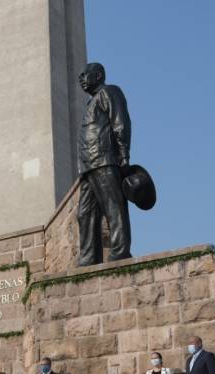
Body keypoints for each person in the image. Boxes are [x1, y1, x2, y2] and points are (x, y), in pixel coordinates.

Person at [76, 62, 132, 266]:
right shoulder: (90, 103)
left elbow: (121, 123)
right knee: (84, 214)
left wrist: (123, 155)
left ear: (98, 75)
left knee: (113, 207)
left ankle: (119, 252)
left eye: (85, 75)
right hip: (88, 166)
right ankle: (88, 258)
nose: (81, 79)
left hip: (104, 160)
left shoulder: (109, 92)